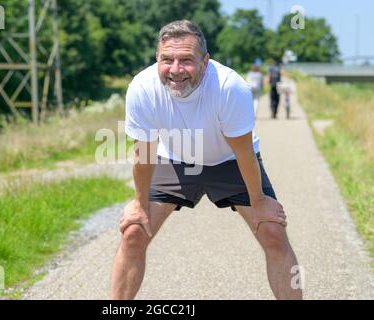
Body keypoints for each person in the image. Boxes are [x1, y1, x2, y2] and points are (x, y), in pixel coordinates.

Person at [111, 20, 302, 300]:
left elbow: (244, 151)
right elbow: (145, 153)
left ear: (205, 61)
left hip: (229, 161)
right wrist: (140, 204)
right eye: (167, 59)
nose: (176, 70)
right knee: (134, 232)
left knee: (273, 232)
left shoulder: (229, 87)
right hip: (175, 161)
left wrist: (260, 202)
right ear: (157, 59)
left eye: (186, 60)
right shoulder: (142, 87)